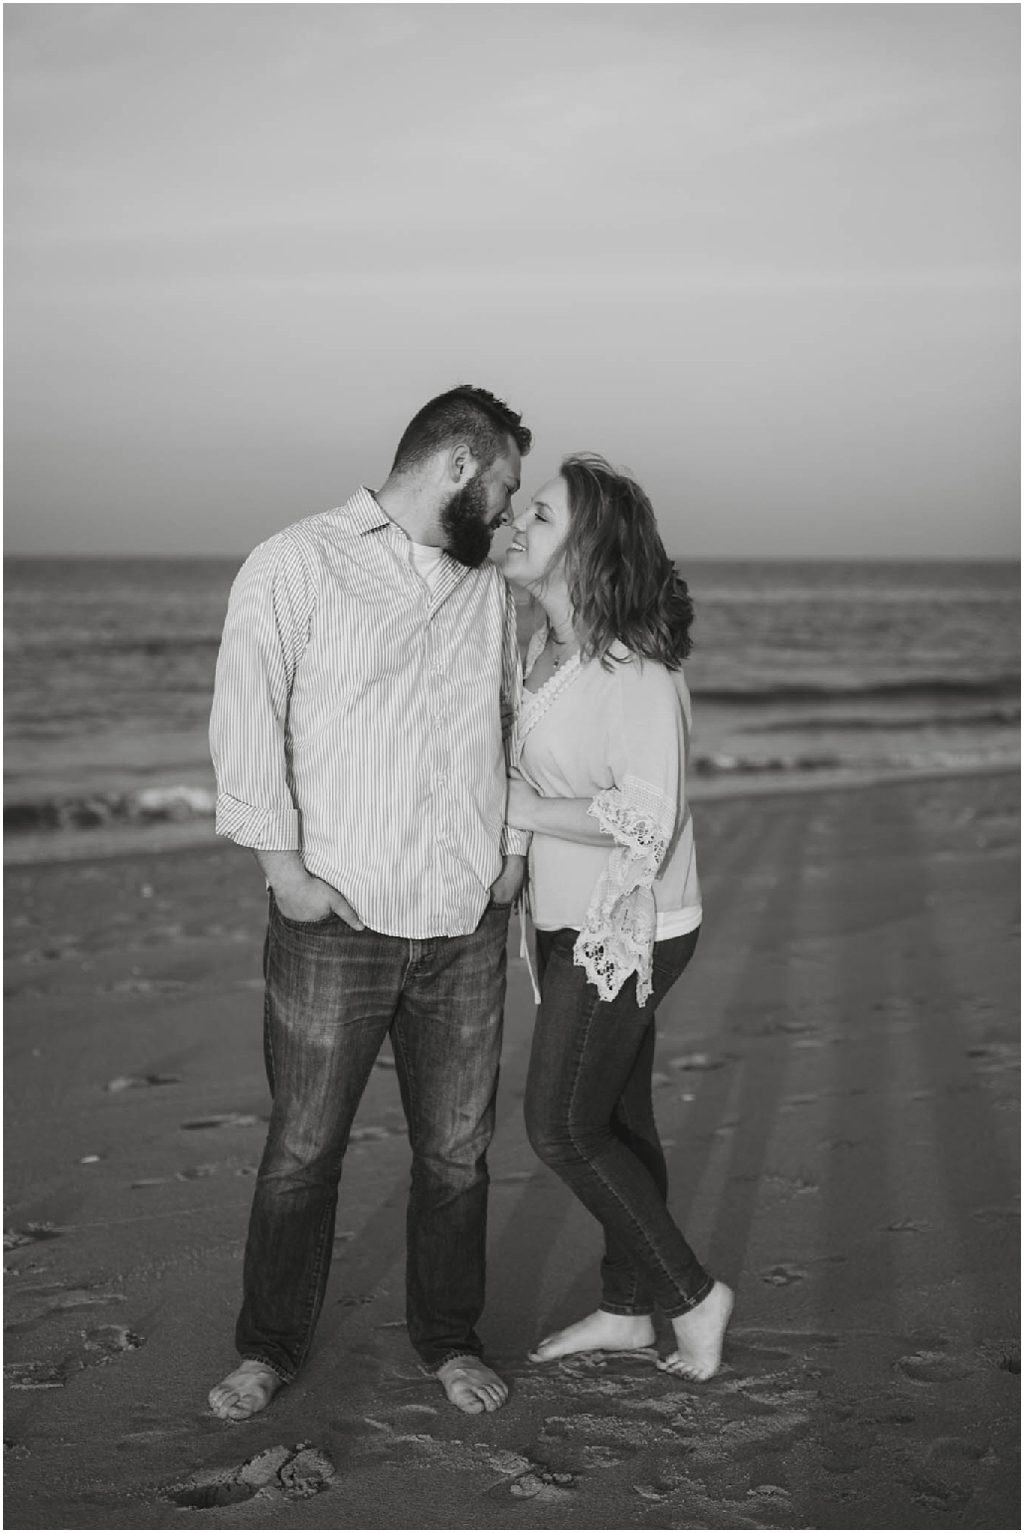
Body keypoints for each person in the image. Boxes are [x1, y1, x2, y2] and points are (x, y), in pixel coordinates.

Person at [207, 385, 532, 1422]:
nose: (510, 511)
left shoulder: (493, 589)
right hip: (334, 921)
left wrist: (513, 853)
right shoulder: (297, 561)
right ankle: (268, 1350)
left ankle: (447, 1340)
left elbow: (528, 719)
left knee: (456, 1155)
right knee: (302, 1152)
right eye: (505, 487)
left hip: (466, 922)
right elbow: (246, 711)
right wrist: (283, 873)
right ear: (456, 467)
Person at [501, 453, 733, 1380]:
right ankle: (627, 1310)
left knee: (560, 1125)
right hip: (562, 922)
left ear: (588, 550)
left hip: (628, 924)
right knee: (620, 1121)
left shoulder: (634, 672)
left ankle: (692, 1294)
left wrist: (513, 813)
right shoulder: (541, 648)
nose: (520, 520)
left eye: (543, 515)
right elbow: (530, 772)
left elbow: (648, 815)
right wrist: (514, 849)